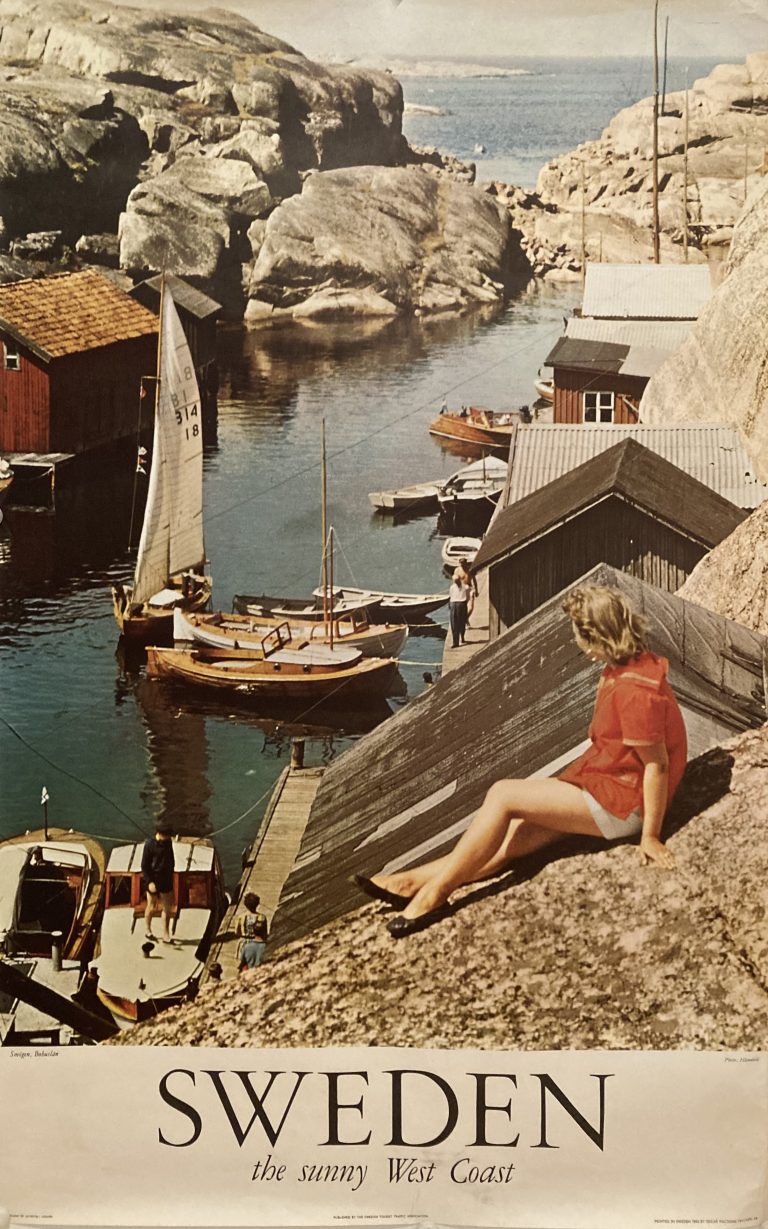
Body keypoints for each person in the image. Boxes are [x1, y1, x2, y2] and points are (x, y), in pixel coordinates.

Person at [355, 584, 687, 938]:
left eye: (580, 636)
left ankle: (436, 894)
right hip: (610, 782)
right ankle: (412, 881)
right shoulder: (630, 662)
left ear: (598, 637)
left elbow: (657, 765)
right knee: (513, 835)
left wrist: (650, 836)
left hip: (624, 804)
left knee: (503, 795)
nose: (578, 644)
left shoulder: (634, 690)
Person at [141, 825, 176, 944]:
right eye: (166, 835)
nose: (168, 837)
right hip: (153, 879)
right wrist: (150, 881)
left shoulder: (168, 843)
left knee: (167, 907)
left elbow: (171, 860)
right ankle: (148, 930)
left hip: (166, 879)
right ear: (160, 834)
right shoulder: (149, 845)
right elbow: (144, 866)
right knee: (151, 906)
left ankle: (166, 933)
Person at [238, 892, 269, 970]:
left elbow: (237, 932)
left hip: (244, 942)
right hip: (258, 941)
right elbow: (265, 931)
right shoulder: (262, 917)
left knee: (243, 965)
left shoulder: (241, 917)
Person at [448, 568, 471, 647]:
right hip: (453, 604)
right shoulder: (452, 587)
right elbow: (451, 597)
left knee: (462, 622)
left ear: (460, 580)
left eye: (457, 581)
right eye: (455, 581)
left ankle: (462, 637)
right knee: (454, 624)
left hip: (462, 604)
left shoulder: (466, 587)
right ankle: (455, 642)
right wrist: (450, 605)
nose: (456, 583)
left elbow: (468, 598)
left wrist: (464, 604)